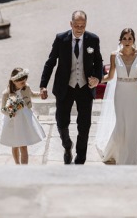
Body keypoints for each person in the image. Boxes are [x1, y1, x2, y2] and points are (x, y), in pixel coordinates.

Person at [40, 10, 103, 164]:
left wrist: (97, 78)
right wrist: (43, 85)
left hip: (84, 88)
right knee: (61, 122)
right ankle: (67, 145)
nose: (79, 28)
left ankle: (80, 158)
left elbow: (99, 62)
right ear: (71, 24)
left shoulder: (93, 39)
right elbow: (50, 62)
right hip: (65, 87)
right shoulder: (61, 39)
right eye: (76, 25)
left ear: (86, 24)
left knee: (84, 125)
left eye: (82, 25)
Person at [95, 28, 137, 165]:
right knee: (122, 125)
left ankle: (132, 156)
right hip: (121, 93)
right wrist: (97, 80)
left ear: (134, 40)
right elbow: (110, 76)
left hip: (135, 94)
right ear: (120, 40)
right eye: (125, 38)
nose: (127, 41)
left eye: (130, 38)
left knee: (134, 125)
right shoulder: (114, 55)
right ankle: (120, 154)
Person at [0, 67, 45, 164]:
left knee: (23, 145)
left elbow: (31, 94)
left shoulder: (26, 87)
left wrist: (40, 94)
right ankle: (17, 164)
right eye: (21, 83)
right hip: (13, 120)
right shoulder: (6, 94)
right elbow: (3, 109)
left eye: (25, 81)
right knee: (14, 144)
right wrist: (11, 113)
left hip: (24, 118)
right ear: (14, 81)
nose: (24, 84)